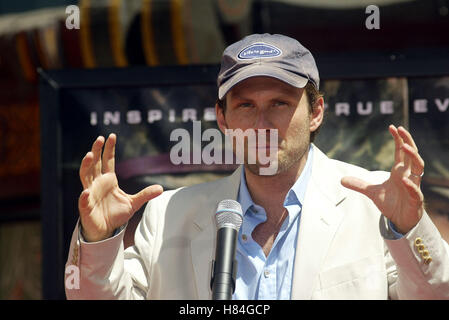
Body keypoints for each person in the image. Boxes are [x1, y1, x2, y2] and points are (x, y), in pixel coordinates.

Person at [65, 33, 449, 299]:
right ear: (223, 118)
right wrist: (97, 241)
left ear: (316, 112)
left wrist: (411, 228)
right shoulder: (168, 215)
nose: (261, 124)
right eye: (245, 105)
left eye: (279, 103)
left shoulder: (373, 203)